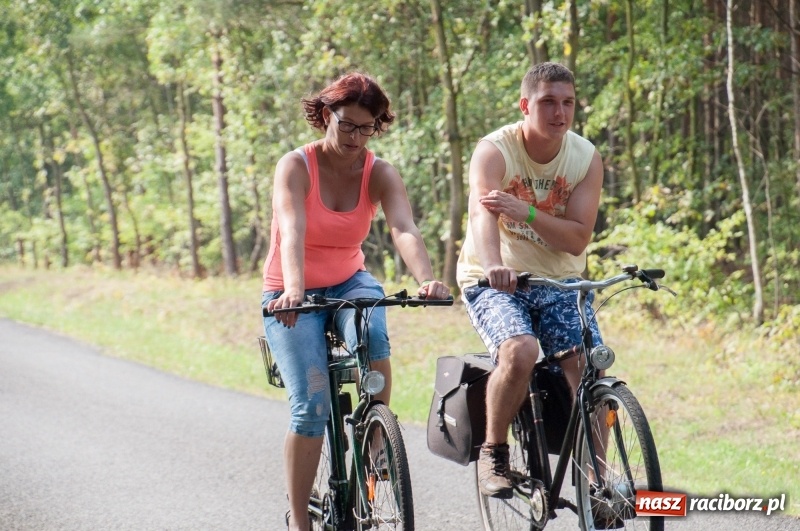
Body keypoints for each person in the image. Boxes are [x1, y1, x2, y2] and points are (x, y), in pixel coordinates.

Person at [261, 72, 450, 531]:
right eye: (347, 125)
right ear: (327, 115)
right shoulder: (296, 165)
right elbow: (292, 229)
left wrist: (427, 279)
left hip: (350, 281)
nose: (355, 137)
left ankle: (376, 440)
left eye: (367, 128)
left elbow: (403, 227)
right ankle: (301, 522)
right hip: (290, 291)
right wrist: (294, 289)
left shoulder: (379, 172)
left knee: (374, 334)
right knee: (311, 407)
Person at [456, 62, 604, 499]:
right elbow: (481, 214)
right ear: (525, 105)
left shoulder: (585, 158)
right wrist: (492, 265)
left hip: (559, 280)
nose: (560, 112)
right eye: (548, 102)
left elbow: (576, 239)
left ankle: (599, 481)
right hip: (496, 278)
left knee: (589, 368)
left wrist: (528, 213)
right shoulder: (495, 150)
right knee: (520, 352)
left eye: (568, 103)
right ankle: (494, 453)